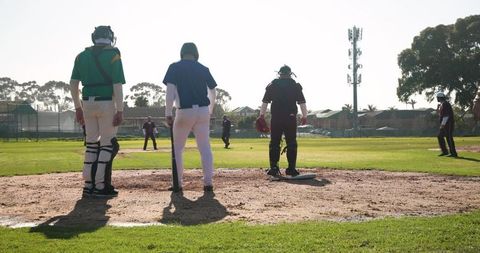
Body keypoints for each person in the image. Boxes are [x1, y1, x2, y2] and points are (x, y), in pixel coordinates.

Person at [69, 25, 125, 197]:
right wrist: (120, 110)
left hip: (87, 103)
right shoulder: (114, 54)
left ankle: (88, 185)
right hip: (106, 102)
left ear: (94, 37)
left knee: (91, 145)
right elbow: (117, 85)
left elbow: (73, 84)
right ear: (110, 37)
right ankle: (101, 186)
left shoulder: (81, 56)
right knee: (107, 145)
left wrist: (78, 107)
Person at [163, 42, 217, 192]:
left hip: (184, 111)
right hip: (203, 110)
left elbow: (170, 92)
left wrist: (168, 113)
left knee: (178, 149)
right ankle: (208, 183)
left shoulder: (175, 67)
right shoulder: (203, 68)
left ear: (182, 52)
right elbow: (213, 91)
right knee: (205, 147)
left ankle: (178, 184)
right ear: (195, 53)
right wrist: (210, 109)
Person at [259, 65, 307, 177]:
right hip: (290, 117)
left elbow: (265, 102)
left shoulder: (272, 85)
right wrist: (304, 116)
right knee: (292, 143)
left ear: (279, 74)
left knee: (274, 143)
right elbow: (302, 103)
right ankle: (291, 169)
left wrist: (261, 115)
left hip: (276, 117)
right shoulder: (295, 86)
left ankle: (274, 168)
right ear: (290, 74)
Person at [436, 92, 457, 157]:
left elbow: (446, 116)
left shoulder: (445, 104)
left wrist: (442, 124)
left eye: (437, 98)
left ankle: (453, 153)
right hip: (445, 124)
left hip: (448, 123)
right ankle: (445, 151)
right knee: (440, 136)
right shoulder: (442, 104)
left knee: (449, 137)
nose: (437, 99)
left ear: (440, 98)